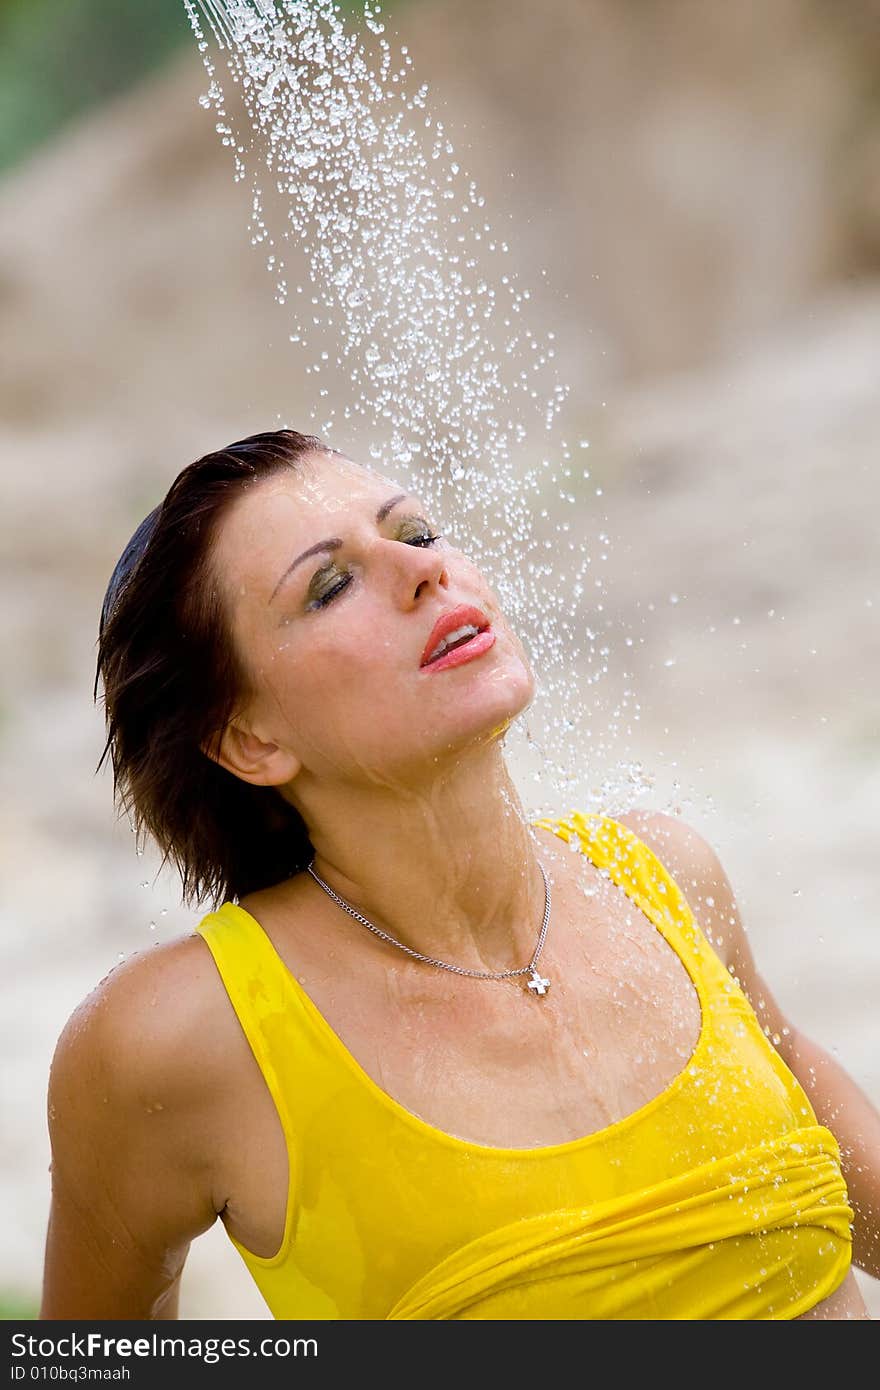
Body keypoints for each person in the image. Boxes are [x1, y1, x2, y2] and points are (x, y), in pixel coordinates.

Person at [39, 428, 879, 1320]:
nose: (421, 573)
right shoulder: (180, 1041)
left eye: (415, 533)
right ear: (251, 741)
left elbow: (821, 1129)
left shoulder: (661, 873)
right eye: (330, 586)